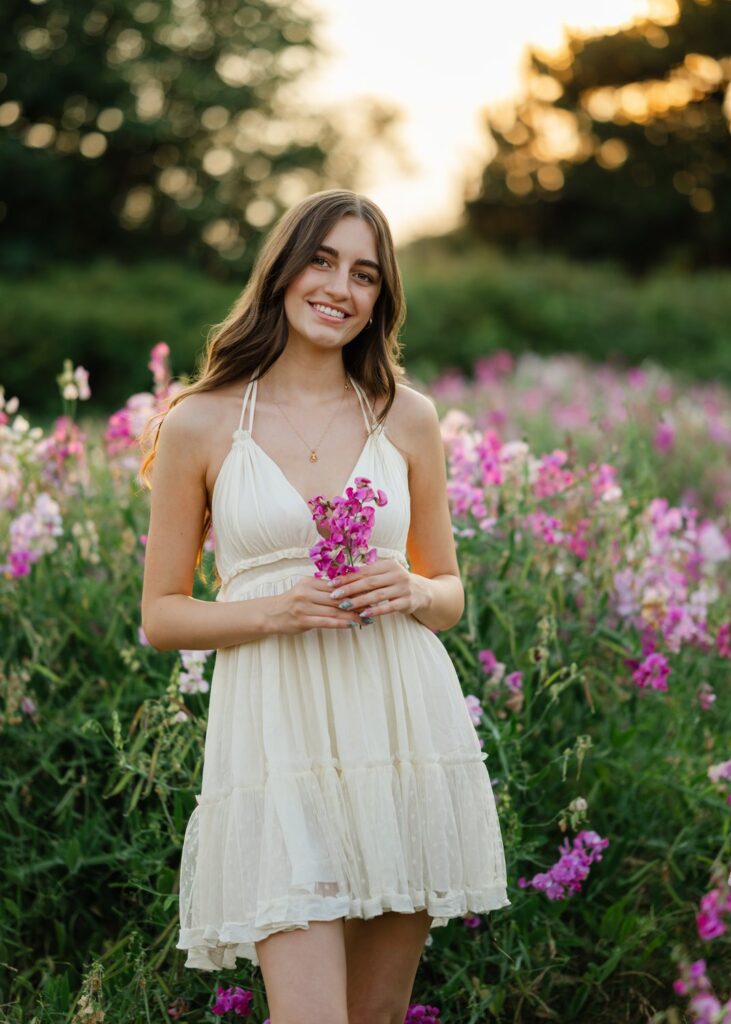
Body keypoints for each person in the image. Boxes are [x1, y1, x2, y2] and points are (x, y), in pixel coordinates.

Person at [140, 189, 509, 1024]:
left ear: (381, 299)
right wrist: (272, 612)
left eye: (365, 274)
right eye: (323, 260)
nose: (340, 287)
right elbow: (162, 614)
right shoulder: (198, 423)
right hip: (277, 744)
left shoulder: (406, 417)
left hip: (401, 732)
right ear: (283, 268)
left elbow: (448, 595)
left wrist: (414, 589)